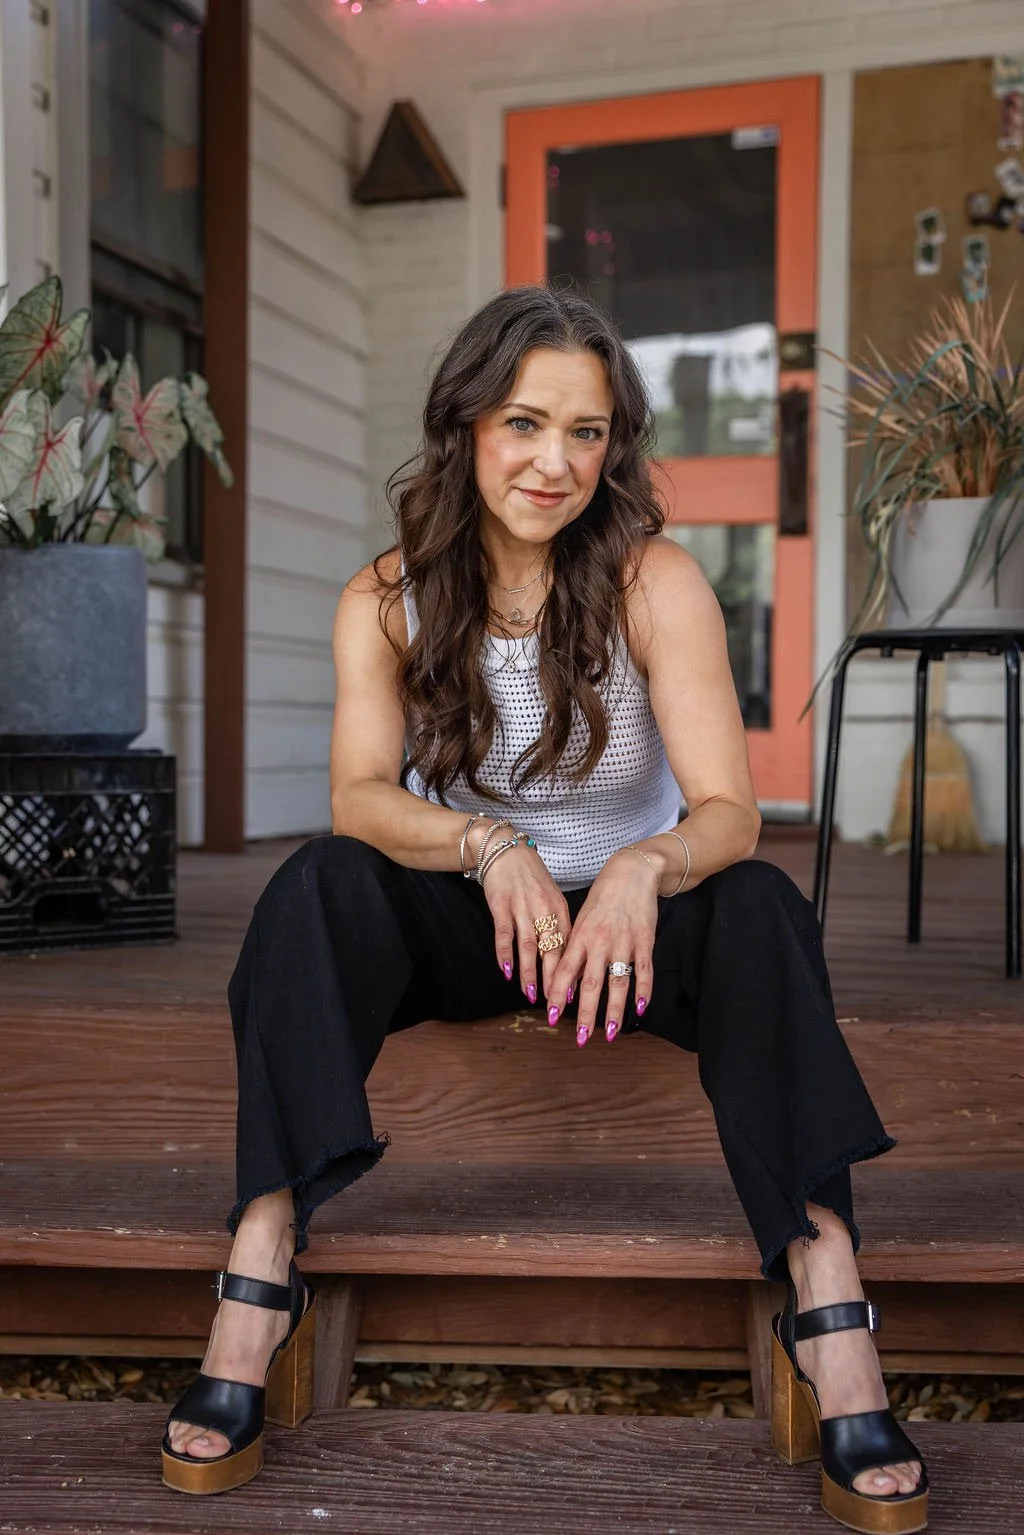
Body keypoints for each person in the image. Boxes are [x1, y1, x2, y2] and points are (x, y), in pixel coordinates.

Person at [161, 285, 927, 1532]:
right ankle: (260, 1255)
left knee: (764, 908)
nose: (554, 461)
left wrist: (640, 867)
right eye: (525, 422)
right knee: (312, 885)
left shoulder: (652, 579)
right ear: (465, 424)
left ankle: (824, 1281)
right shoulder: (386, 596)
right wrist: (485, 844)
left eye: (587, 431)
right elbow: (359, 797)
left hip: (630, 939)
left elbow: (728, 809)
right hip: (474, 921)